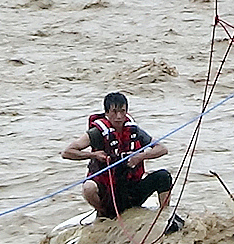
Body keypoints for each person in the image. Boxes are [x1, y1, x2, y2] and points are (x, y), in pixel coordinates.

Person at [62, 92, 183, 233]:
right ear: (107, 113)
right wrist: (93, 154)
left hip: (132, 190)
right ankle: (104, 214)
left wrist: (140, 157)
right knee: (88, 187)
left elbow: (162, 149)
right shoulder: (96, 133)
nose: (119, 116)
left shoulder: (134, 131)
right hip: (110, 194)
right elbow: (67, 152)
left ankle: (165, 217)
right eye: (114, 112)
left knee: (163, 176)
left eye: (122, 111)